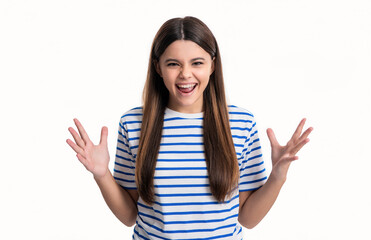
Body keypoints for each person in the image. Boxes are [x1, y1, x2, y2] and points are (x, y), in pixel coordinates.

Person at [66, 16, 313, 239]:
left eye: (197, 63)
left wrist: (278, 176)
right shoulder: (133, 124)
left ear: (212, 66)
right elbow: (130, 216)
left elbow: (247, 218)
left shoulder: (240, 124)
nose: (186, 74)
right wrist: (102, 175)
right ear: (158, 68)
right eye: (173, 64)